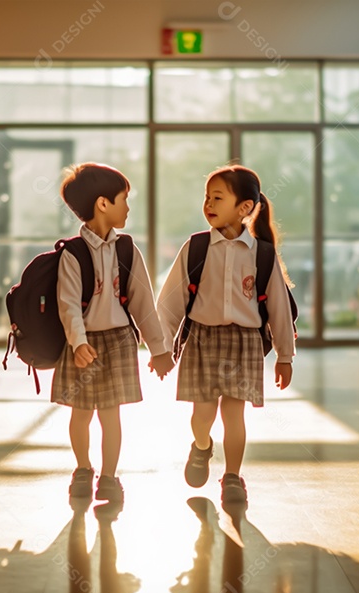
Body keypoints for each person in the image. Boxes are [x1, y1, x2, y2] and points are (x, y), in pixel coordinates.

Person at [156, 164, 295, 504]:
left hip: (245, 342)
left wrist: (285, 356)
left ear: (244, 207)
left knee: (234, 415)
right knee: (202, 415)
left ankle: (232, 476)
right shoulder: (196, 247)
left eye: (217, 198)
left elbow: (278, 308)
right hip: (201, 340)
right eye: (206, 197)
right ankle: (202, 446)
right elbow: (171, 301)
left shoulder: (262, 253)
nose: (208, 204)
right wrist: (161, 348)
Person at [53, 162, 175, 503]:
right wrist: (78, 343)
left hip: (119, 339)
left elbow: (143, 303)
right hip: (83, 343)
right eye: (124, 199)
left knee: (111, 415)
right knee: (81, 412)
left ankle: (108, 476)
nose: (128, 207)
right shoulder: (72, 254)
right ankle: (83, 469)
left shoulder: (127, 250)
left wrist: (159, 349)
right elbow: (68, 305)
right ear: (103, 204)